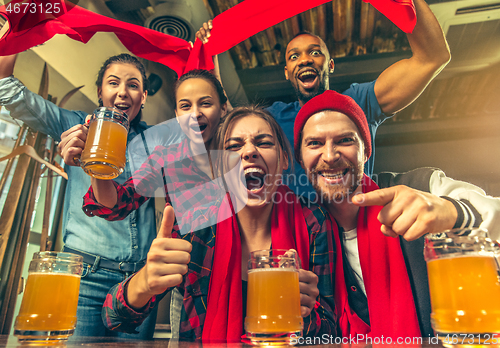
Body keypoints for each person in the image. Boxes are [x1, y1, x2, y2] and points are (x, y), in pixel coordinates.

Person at [98, 106, 336, 341]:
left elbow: (331, 332)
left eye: (263, 143)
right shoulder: (196, 224)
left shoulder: (313, 221)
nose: (249, 151)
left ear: (284, 159)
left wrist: (307, 315)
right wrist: (144, 282)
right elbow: (112, 318)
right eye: (234, 146)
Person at [293, 90, 500, 338]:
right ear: (300, 159)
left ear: (365, 151)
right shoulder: (308, 233)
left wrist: (454, 212)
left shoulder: (422, 187)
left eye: (345, 141)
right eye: (315, 143)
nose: (329, 155)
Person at [198, 0, 450, 197]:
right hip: (296, 243)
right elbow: (223, 121)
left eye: (315, 52)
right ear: (287, 73)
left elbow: (431, 57)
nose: (305, 59)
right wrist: (209, 51)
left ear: (330, 65)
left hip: (353, 235)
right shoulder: (272, 119)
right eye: (294, 56)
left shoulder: (357, 102)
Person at [0, 53, 168, 338]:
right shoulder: (74, 125)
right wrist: (17, 29)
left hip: (139, 282)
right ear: (100, 92)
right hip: (83, 275)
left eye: (133, 85)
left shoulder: (157, 140)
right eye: (113, 83)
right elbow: (7, 90)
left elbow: (204, 137)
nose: (122, 92)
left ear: (143, 96)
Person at [80, 69, 228, 232]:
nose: (195, 113)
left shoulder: (245, 152)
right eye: (185, 106)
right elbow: (119, 203)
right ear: (177, 115)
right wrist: (97, 162)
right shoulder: (167, 157)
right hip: (185, 256)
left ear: (223, 108)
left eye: (205, 103)